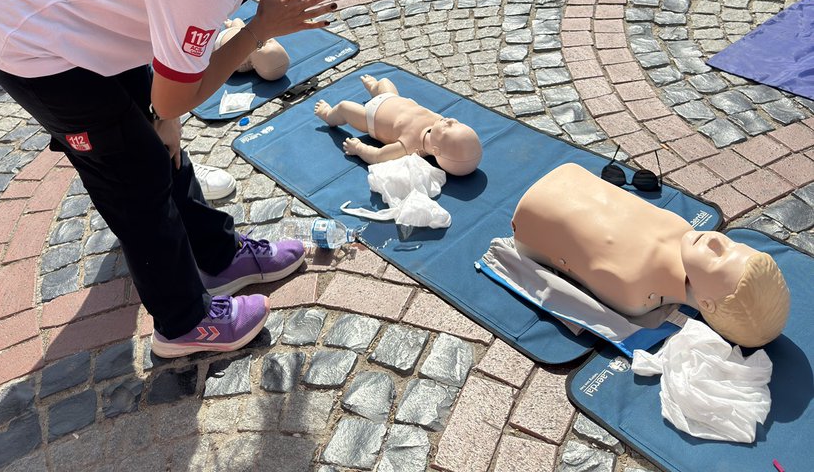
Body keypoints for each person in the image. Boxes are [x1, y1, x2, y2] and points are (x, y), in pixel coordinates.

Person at [0, 0, 395, 357]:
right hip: (32, 41)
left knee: (162, 146)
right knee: (135, 173)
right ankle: (183, 324)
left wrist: (165, 119)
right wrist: (260, 30)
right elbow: (174, 96)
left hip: (85, 9)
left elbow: (168, 101)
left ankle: (216, 256)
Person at [511, 163, 789, 348]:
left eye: (719, 257)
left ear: (707, 304)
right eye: (734, 245)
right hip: (570, 178)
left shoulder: (635, 289)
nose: (717, 240)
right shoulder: (684, 235)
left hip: (533, 213)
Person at [315, 73, 482, 175]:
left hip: (370, 117)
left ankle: (329, 115)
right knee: (385, 82)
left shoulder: (410, 146)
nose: (451, 120)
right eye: (457, 122)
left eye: (449, 128)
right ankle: (374, 88)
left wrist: (359, 148)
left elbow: (379, 157)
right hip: (391, 97)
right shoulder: (438, 120)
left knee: (345, 107)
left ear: (436, 150)